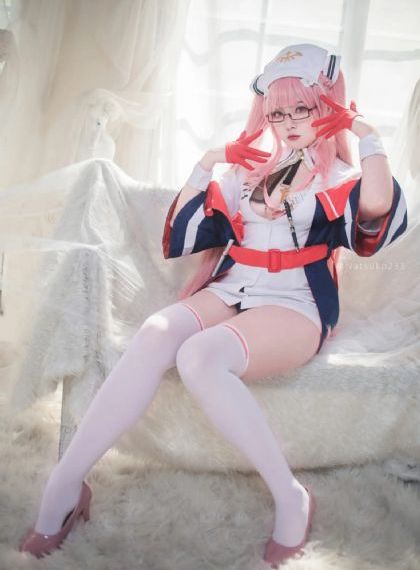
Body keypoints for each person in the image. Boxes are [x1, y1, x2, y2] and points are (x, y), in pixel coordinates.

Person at [19, 43, 408, 568]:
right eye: (278, 112)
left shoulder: (340, 178)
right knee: (156, 333)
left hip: (296, 303)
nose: (290, 122)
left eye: (303, 108)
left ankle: (290, 494)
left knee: (200, 357)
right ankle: (66, 483)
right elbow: (181, 234)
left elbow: (377, 205)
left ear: (329, 105)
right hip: (231, 287)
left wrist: (364, 131)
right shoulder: (250, 172)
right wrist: (210, 161)